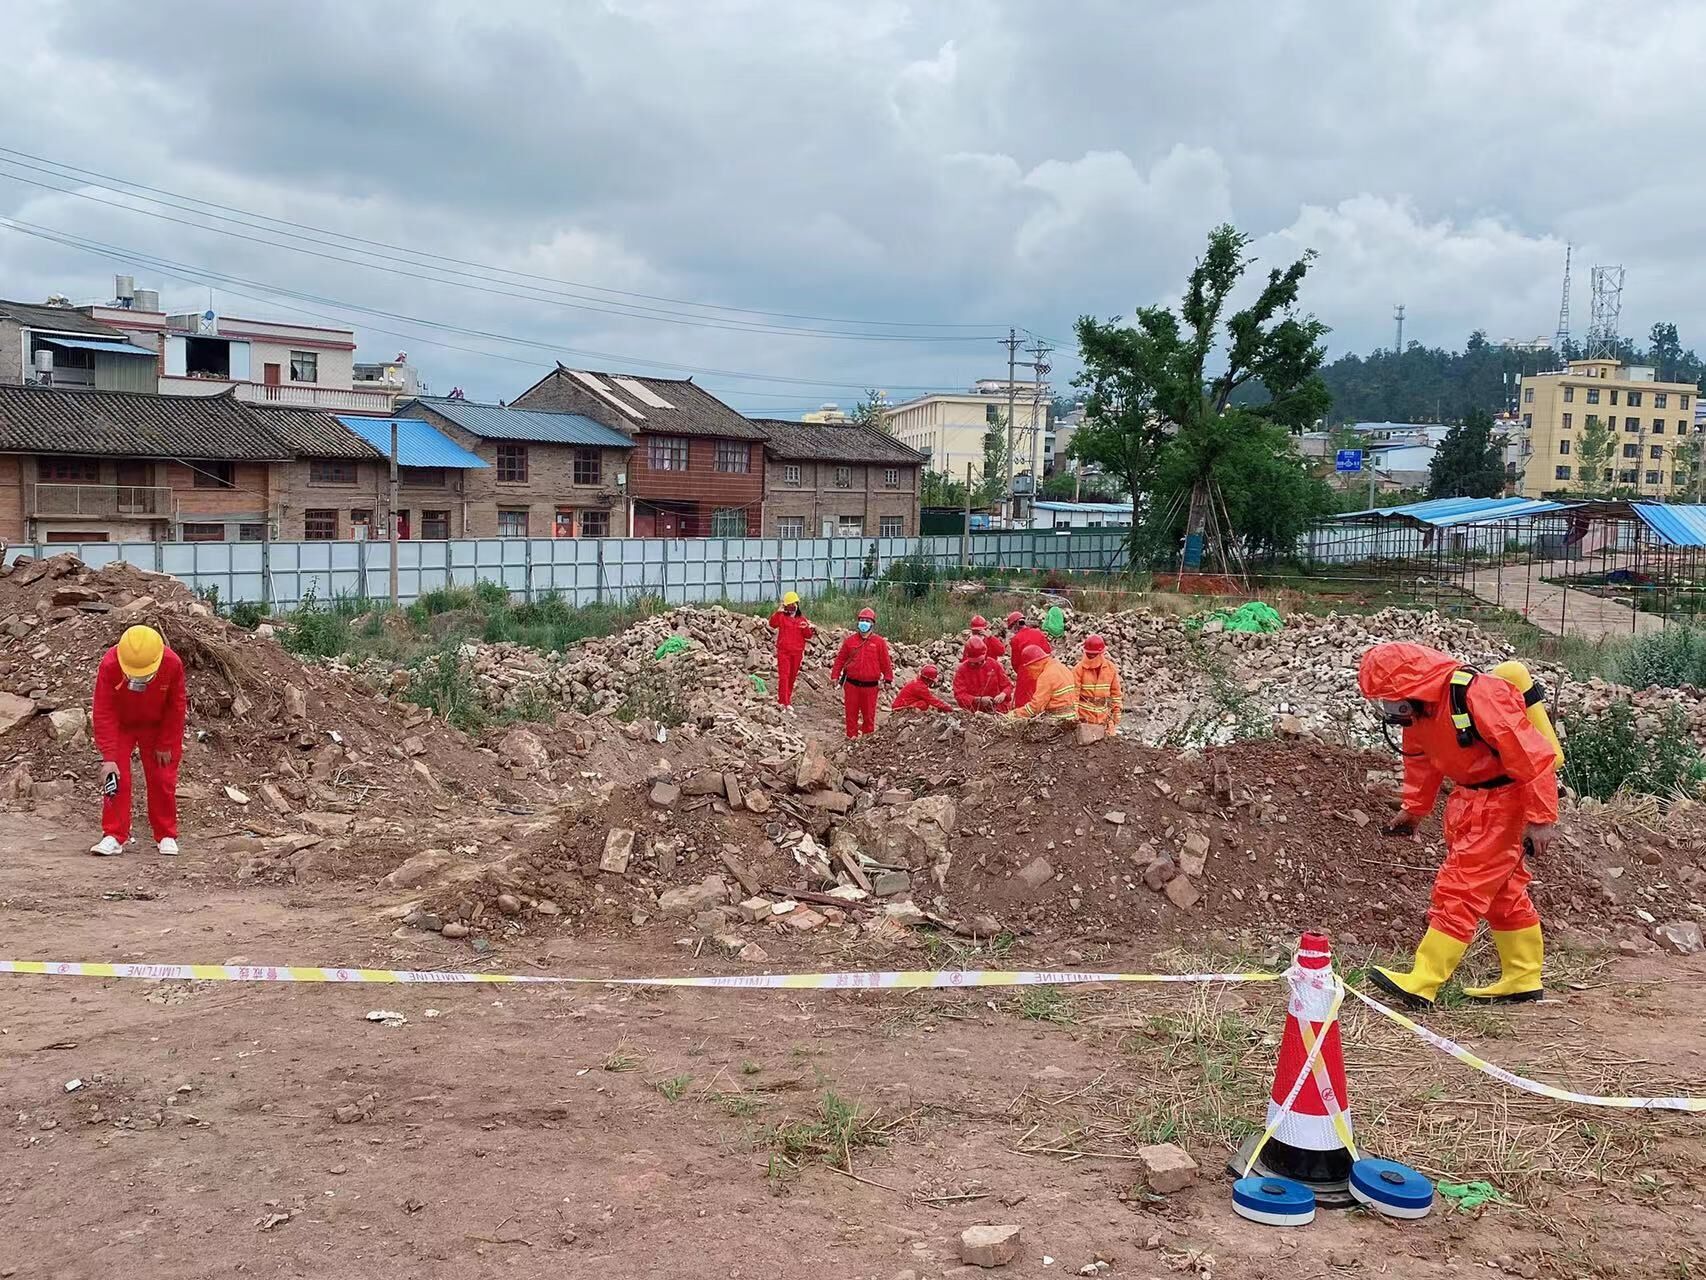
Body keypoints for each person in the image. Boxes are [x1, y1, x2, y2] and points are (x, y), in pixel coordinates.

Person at [1357, 643, 1563, 1008]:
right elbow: (1422, 761)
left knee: (1460, 888)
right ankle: (1523, 976)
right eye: (1382, 702)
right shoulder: (1420, 713)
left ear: (1412, 686)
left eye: (1390, 699)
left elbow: (1533, 759)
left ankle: (1423, 980)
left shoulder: (1478, 695)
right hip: (1469, 803)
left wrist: (1541, 818)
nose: (1388, 710)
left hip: (1505, 802)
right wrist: (1414, 810)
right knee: (1503, 894)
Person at [91, 624, 187, 858]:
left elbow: (176, 706)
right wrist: (109, 756)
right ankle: (113, 835)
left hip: (157, 727)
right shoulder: (110, 664)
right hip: (121, 726)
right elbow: (103, 709)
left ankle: (166, 835)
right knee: (114, 778)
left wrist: (166, 742)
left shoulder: (172, 664)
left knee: (163, 778)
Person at [829, 606, 894, 738]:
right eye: (862, 620)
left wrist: (888, 679)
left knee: (869, 717)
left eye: (867, 621)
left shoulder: (879, 643)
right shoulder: (850, 641)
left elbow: (885, 662)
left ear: (872, 624)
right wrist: (834, 676)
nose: (864, 623)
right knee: (851, 716)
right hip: (852, 685)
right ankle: (850, 740)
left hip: (870, 687)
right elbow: (840, 660)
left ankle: (866, 743)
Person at [1008, 643, 1079, 725]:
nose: (1029, 673)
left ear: (1034, 665)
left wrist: (1015, 714)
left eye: (1029, 668)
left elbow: (1036, 707)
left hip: (1057, 721)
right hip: (1072, 717)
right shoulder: (1062, 667)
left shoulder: (1046, 676)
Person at [767, 591, 816, 710]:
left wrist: (808, 628)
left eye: (792, 605)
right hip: (784, 652)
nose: (791, 608)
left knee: (792, 677)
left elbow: (808, 636)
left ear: (797, 605)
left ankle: (787, 700)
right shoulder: (781, 617)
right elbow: (772, 624)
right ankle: (783, 701)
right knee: (784, 676)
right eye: (788, 606)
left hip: (797, 653)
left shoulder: (802, 620)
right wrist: (777, 612)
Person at [1073, 634, 1122, 733]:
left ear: (1101, 653)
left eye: (1093, 655)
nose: (1091, 658)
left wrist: (1116, 711)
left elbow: (1116, 693)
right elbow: (1074, 696)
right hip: (1085, 720)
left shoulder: (1110, 668)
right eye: (1089, 655)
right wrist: (1075, 717)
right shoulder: (1079, 669)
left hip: (1103, 719)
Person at [953, 636, 1013, 712]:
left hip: (998, 709)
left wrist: (1003, 694)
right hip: (974, 712)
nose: (979, 664)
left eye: (981, 661)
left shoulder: (993, 664)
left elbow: (1008, 686)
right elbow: (959, 695)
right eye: (975, 663)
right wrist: (977, 700)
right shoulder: (962, 670)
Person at [1005, 610, 1049, 708]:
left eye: (1011, 628)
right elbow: (1048, 652)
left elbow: (1015, 663)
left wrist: (1022, 671)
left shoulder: (1016, 639)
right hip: (1042, 669)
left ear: (1015, 625)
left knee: (1023, 701)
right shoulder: (1038, 633)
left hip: (1026, 671)